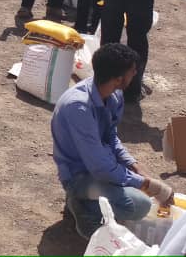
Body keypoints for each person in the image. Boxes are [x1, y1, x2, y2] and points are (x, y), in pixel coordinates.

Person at [51, 43, 175, 238]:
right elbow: (99, 166)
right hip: (79, 176)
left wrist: (135, 167)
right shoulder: (79, 107)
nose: (135, 75)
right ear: (118, 79)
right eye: (132, 72)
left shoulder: (113, 95)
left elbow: (111, 139)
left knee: (139, 191)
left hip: (99, 168)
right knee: (139, 205)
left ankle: (94, 199)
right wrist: (149, 185)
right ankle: (81, 206)